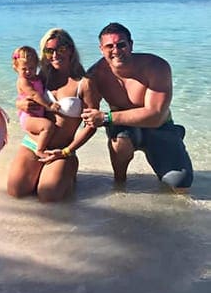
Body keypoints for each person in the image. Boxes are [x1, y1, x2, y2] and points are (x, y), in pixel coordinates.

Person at [81, 22, 193, 192]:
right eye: (109, 46)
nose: (116, 51)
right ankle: (119, 184)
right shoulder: (94, 76)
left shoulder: (156, 67)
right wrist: (65, 150)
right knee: (120, 142)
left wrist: (106, 118)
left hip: (159, 126)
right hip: (125, 128)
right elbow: (87, 119)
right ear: (101, 49)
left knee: (181, 183)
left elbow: (155, 115)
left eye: (121, 45)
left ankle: (173, 135)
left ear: (131, 45)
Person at [7, 29, 97, 202]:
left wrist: (67, 151)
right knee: (16, 193)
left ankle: (68, 171)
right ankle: (43, 174)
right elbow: (24, 93)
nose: (55, 55)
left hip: (61, 150)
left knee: (48, 197)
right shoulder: (43, 77)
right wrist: (19, 104)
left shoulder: (84, 83)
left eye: (61, 49)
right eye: (49, 51)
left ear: (70, 50)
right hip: (32, 144)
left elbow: (91, 125)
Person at [12, 45, 60, 159]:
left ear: (37, 66)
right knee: (48, 126)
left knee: (47, 127)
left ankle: (40, 145)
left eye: (32, 68)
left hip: (35, 116)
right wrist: (49, 106)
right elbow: (34, 94)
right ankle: (40, 150)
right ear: (16, 68)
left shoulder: (37, 78)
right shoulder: (23, 81)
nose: (28, 71)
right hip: (28, 117)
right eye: (24, 69)